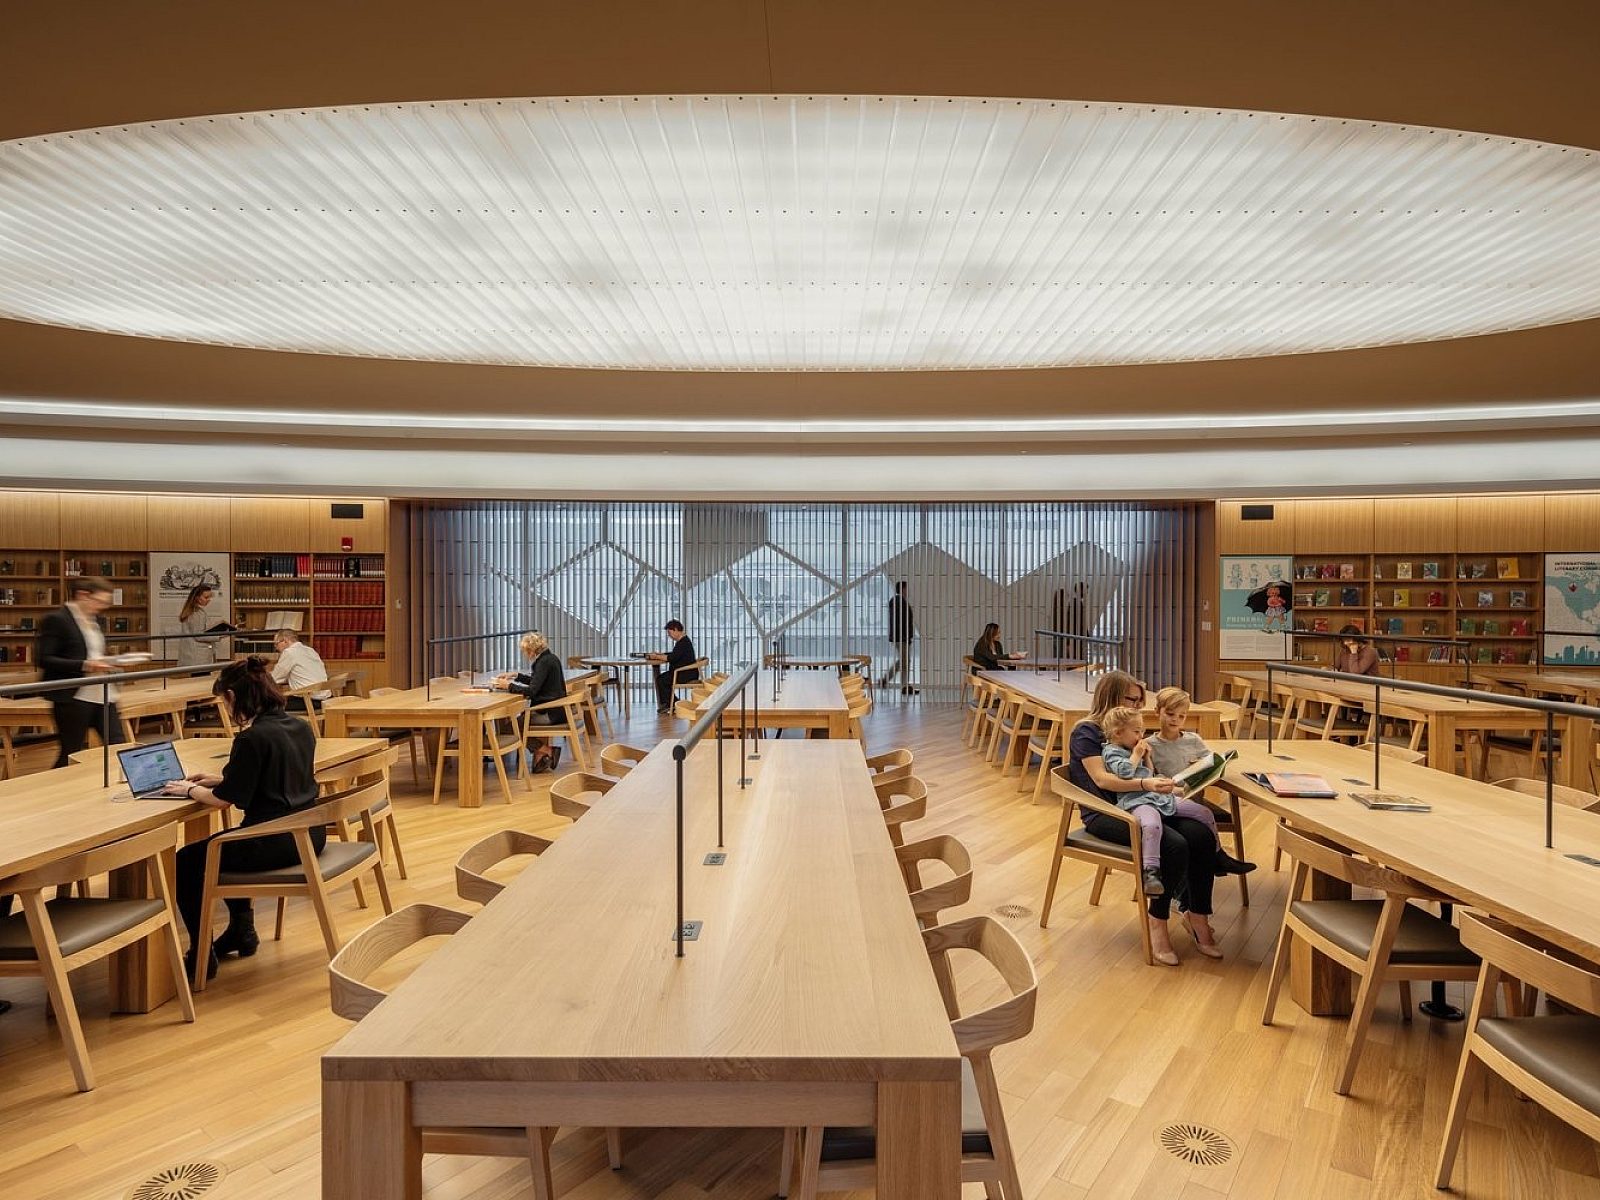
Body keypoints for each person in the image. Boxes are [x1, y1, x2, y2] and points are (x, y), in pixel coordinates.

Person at [164, 657, 319, 981]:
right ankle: (241, 931)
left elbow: (222, 803)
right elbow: (273, 779)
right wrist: (216, 778)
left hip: (271, 842)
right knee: (225, 845)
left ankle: (201, 951)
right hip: (308, 835)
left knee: (188, 860)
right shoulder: (300, 727)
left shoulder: (251, 738)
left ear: (233, 698)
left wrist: (189, 790)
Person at [1065, 670, 1221, 965]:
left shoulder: (1133, 730)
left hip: (1142, 803)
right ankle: (1157, 923)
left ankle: (1196, 914)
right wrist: (1146, 784)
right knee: (1174, 845)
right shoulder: (1086, 732)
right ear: (1111, 698)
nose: (1139, 707)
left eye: (1140, 701)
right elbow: (1103, 782)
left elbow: (1146, 770)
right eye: (1132, 700)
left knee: (1199, 833)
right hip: (1106, 812)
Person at [37, 576, 121, 768]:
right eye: (99, 601)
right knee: (71, 751)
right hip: (73, 696)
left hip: (103, 693)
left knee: (118, 744)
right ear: (83, 595)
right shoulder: (57, 620)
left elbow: (93, 651)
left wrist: (108, 661)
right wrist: (85, 665)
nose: (102, 607)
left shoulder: (95, 619)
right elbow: (45, 659)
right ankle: (56, 792)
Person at [494, 630, 565, 772]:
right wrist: (516, 676)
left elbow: (532, 691)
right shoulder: (550, 658)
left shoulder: (543, 662)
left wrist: (508, 686)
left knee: (509, 729)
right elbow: (537, 681)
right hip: (556, 710)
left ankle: (547, 750)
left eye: (525, 650)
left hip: (548, 713)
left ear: (531, 649)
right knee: (516, 725)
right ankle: (543, 753)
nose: (525, 654)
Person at [646, 619, 699, 714]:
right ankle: (673, 703)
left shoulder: (683, 642)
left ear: (675, 629)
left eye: (669, 633)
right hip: (685, 672)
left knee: (661, 680)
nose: (669, 635)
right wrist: (661, 654)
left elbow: (672, 658)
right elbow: (675, 654)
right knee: (662, 679)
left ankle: (671, 704)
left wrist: (657, 656)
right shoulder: (683, 641)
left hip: (685, 674)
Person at [270, 628, 329, 702]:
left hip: (308, 701)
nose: (276, 648)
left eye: (276, 643)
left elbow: (274, 678)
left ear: (285, 640)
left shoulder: (289, 652)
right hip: (324, 699)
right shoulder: (311, 650)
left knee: (269, 705)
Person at [174, 583, 225, 668]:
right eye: (206, 597)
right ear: (197, 598)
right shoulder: (196, 613)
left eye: (210, 597)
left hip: (193, 656)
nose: (209, 600)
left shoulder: (194, 611)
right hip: (198, 658)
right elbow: (199, 635)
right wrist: (220, 635)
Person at [881, 580, 917, 695]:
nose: (908, 591)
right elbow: (900, 622)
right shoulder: (899, 602)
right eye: (906, 588)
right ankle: (890, 681)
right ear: (902, 589)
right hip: (901, 637)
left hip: (901, 637)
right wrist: (905, 636)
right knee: (904, 661)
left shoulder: (898, 602)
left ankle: (902, 685)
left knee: (905, 661)